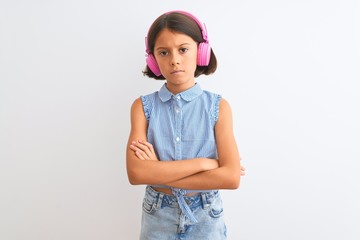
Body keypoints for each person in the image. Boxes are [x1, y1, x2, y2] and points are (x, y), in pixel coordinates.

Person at [126, 10, 245, 240]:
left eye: (183, 49)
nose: (174, 59)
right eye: (163, 52)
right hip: (157, 214)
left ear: (201, 52)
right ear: (153, 60)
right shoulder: (142, 108)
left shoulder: (219, 107)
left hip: (206, 213)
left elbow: (231, 178)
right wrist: (208, 163)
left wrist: (157, 172)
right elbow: (136, 173)